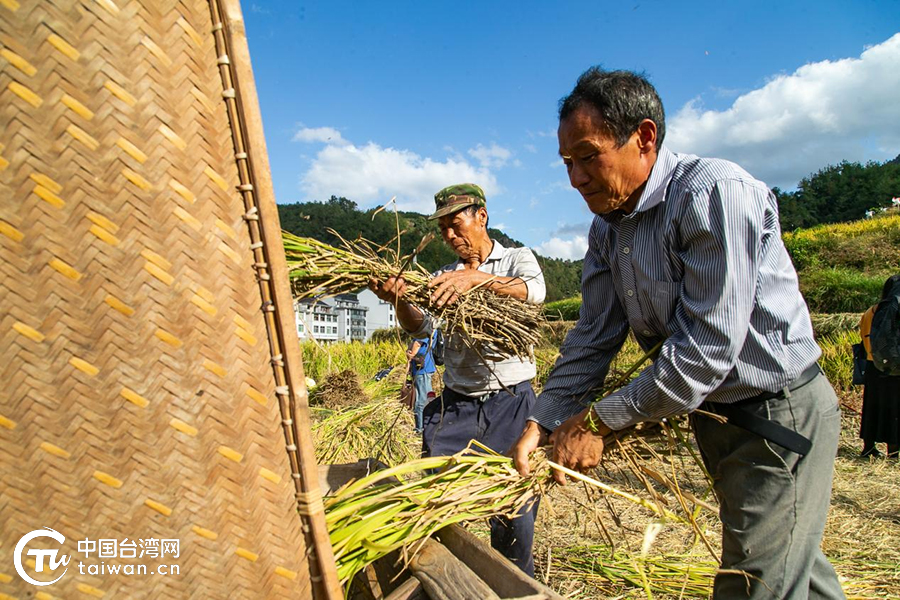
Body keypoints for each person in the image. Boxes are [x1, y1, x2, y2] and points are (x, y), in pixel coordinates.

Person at [510, 67, 844, 599]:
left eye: (589, 156)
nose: (575, 178)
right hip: (716, 416)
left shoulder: (712, 192)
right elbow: (593, 337)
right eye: (567, 163)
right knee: (789, 565)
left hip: (777, 415)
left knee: (753, 582)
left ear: (643, 138)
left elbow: (706, 350)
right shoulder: (607, 230)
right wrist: (544, 419)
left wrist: (598, 419)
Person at [368, 183, 546, 576]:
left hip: (510, 406)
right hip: (458, 404)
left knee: (512, 516)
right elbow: (422, 328)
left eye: (456, 223)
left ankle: (514, 585)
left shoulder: (516, 258)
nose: (450, 235)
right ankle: (447, 579)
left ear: (481, 216)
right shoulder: (441, 276)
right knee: (437, 508)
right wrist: (399, 300)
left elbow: (534, 291)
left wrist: (477, 279)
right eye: (443, 228)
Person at [858, 275, 900, 458]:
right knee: (894, 408)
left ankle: (868, 447)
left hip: (871, 364)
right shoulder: (894, 312)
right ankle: (894, 450)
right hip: (892, 367)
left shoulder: (870, 311)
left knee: (871, 406)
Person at [406, 334, 436, 433]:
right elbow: (415, 343)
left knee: (423, 400)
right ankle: (422, 428)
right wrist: (410, 354)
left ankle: (422, 427)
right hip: (422, 370)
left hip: (422, 370)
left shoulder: (423, 327)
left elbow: (415, 343)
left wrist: (410, 355)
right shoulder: (426, 327)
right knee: (424, 399)